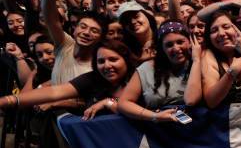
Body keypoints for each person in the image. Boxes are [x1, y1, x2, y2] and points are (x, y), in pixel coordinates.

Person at [0, 40, 135, 120]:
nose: (106, 65)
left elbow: (139, 113)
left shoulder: (139, 78)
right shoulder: (92, 78)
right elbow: (54, 92)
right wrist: (8, 100)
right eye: (101, 61)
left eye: (113, 59)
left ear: (126, 60)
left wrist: (109, 102)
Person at [118, 21, 203, 121]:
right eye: (169, 45)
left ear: (190, 42)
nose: (176, 48)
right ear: (162, 48)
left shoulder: (199, 63)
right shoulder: (147, 68)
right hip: (158, 131)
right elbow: (123, 103)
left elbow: (191, 101)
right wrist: (154, 116)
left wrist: (197, 60)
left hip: (195, 130)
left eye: (180, 42)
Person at [201, 11, 241, 108]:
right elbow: (211, 101)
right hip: (225, 119)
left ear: (237, 29)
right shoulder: (208, 55)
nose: (221, 33)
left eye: (226, 27)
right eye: (214, 30)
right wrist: (231, 73)